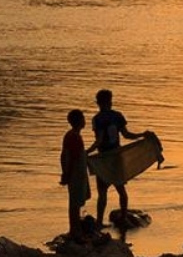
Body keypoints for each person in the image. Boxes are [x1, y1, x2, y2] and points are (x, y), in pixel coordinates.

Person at [90, 88, 151, 227]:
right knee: (121, 190)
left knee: (102, 192)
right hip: (116, 157)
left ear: (98, 103)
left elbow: (99, 141)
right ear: (110, 101)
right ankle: (123, 218)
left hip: (104, 159)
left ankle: (99, 222)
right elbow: (127, 135)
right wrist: (142, 135)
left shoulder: (97, 119)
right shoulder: (117, 116)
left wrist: (87, 152)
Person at [59, 108, 91, 238]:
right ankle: (75, 230)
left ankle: (75, 228)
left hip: (76, 173)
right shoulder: (74, 137)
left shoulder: (73, 135)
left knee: (75, 202)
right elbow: (69, 156)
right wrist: (67, 173)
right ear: (79, 121)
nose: (85, 121)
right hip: (75, 174)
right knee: (75, 204)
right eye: (83, 118)